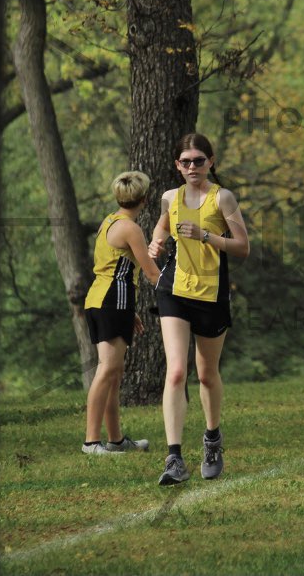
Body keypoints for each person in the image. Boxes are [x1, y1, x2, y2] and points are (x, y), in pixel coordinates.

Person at [148, 134, 250, 485]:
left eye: (198, 161)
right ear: (177, 165)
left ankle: (212, 439)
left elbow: (242, 247)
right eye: (186, 161)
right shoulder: (169, 197)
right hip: (174, 288)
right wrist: (156, 240)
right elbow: (163, 222)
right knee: (176, 372)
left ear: (211, 162)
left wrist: (205, 236)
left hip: (211, 293)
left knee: (206, 374)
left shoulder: (223, 197)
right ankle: (174, 457)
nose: (192, 167)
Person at [83, 171, 162, 454]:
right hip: (112, 302)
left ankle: (116, 441)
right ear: (145, 198)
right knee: (107, 370)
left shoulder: (109, 221)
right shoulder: (131, 229)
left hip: (102, 300)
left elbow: (114, 268)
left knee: (114, 373)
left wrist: (130, 312)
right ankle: (91, 442)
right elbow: (152, 272)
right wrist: (183, 292)